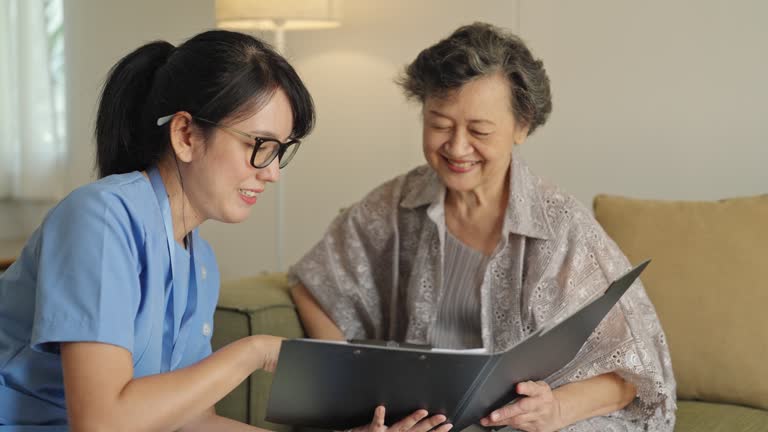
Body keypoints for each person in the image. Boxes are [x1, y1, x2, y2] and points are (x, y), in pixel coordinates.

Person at [0, 30, 450, 432]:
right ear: (186, 135)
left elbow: (188, 419)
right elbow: (102, 422)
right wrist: (253, 351)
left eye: (281, 151)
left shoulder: (199, 263)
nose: (272, 172)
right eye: (259, 146)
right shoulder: (97, 220)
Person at [289, 22, 677, 432]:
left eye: (479, 131)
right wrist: (347, 386)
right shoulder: (395, 205)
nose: (457, 147)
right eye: (439, 124)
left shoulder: (563, 227)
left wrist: (557, 408)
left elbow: (635, 375)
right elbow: (313, 283)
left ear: (522, 127)